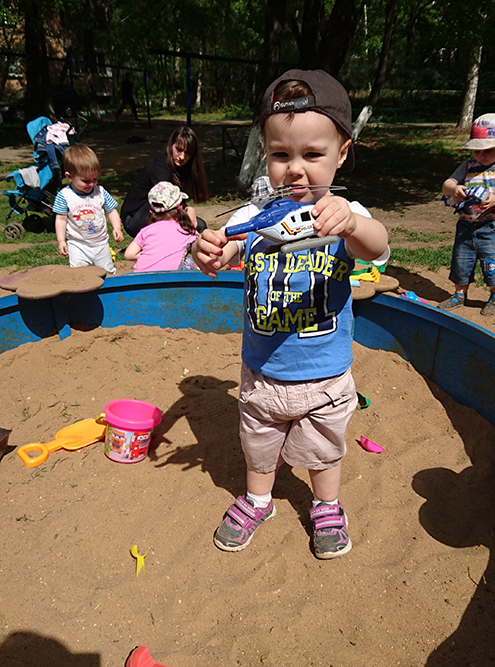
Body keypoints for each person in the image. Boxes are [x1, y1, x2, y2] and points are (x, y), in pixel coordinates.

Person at [192, 69, 389, 559]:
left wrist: (352, 223)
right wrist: (210, 252)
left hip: (324, 376)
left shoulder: (344, 216)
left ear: (342, 153)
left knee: (322, 450)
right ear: (266, 153)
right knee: (258, 443)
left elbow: (379, 245)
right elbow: (225, 253)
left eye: (313, 155)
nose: (295, 170)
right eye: (281, 155)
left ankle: (326, 505)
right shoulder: (252, 218)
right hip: (263, 373)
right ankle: (260, 498)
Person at [439, 113, 495, 316]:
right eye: (477, 151)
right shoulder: (467, 167)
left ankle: (494, 296)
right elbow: (447, 184)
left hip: (490, 227)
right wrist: (454, 190)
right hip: (465, 225)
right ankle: (459, 295)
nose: (482, 156)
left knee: (492, 265)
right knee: (461, 262)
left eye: (488, 150)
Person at [121, 126, 208, 237]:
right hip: (134, 219)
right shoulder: (160, 166)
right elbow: (166, 202)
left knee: (200, 225)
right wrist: (188, 209)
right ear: (171, 145)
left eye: (187, 153)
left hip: (158, 213)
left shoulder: (184, 169)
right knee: (186, 224)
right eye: (179, 150)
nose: (182, 157)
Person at [53, 144, 123, 274]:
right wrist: (61, 240)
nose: (91, 184)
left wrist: (117, 228)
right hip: (77, 244)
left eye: (95, 179)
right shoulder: (65, 196)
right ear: (70, 177)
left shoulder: (100, 191)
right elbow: (61, 220)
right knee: (79, 274)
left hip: (101, 243)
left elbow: (111, 211)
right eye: (86, 181)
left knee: (107, 272)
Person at [124, 181, 198, 271]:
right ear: (180, 207)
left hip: (140, 278)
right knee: (188, 262)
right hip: (169, 279)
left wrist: (151, 255)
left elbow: (129, 254)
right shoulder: (185, 230)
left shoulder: (146, 230)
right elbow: (199, 244)